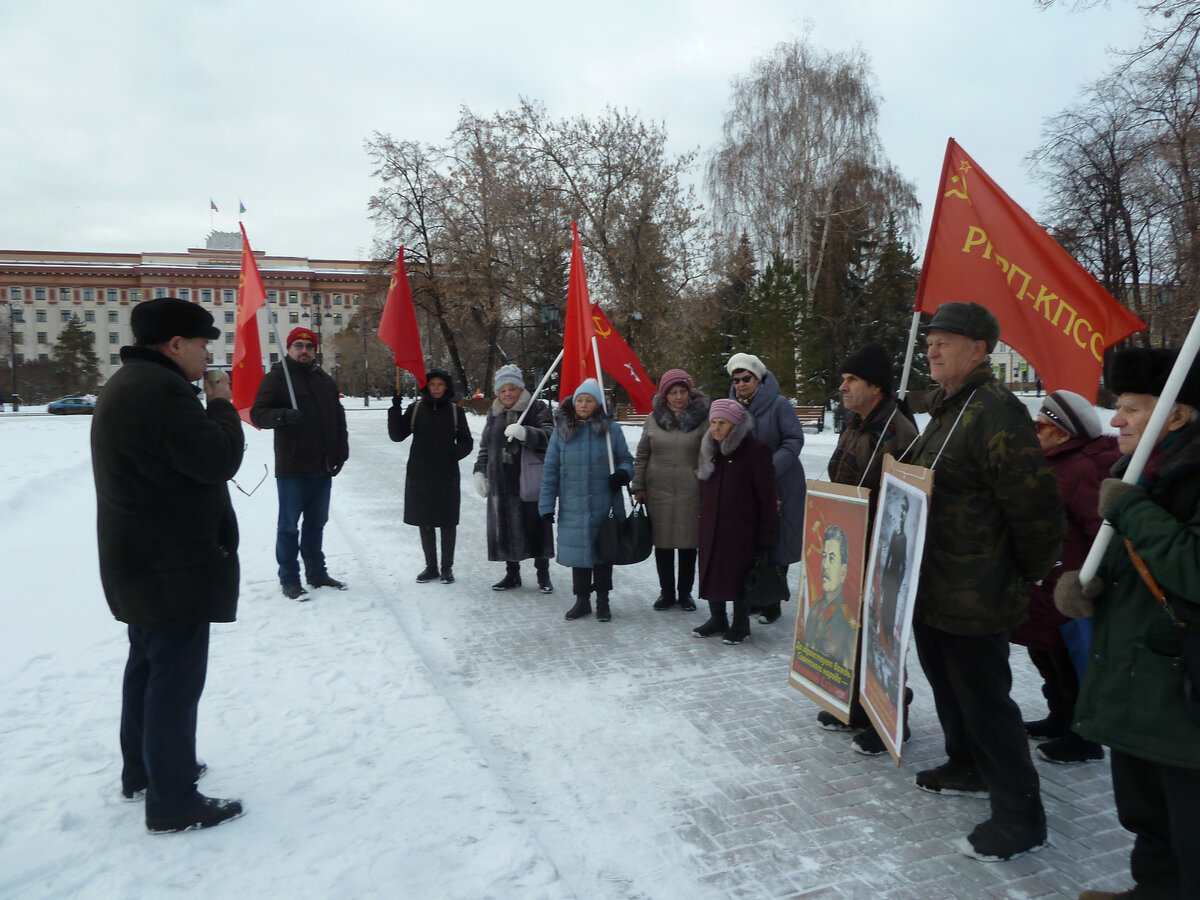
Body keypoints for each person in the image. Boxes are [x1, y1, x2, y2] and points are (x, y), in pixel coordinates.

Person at [905, 302, 1065, 862]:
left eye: (945, 341)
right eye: (930, 340)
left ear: (980, 350)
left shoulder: (995, 410)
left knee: (986, 703)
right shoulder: (949, 410)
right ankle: (965, 763)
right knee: (947, 687)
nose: (932, 349)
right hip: (932, 586)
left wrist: (1015, 573)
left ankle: (1020, 816)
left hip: (975, 592)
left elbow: (1037, 510)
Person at [90, 297, 245, 833]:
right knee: (174, 680)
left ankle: (145, 770)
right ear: (175, 344)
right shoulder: (160, 391)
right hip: (169, 564)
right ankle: (174, 798)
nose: (208, 358)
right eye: (203, 345)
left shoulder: (131, 384)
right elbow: (217, 459)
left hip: (142, 562)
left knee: (148, 667)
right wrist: (222, 405)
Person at [1057, 349, 1200, 900]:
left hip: (1182, 693)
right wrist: (1091, 587)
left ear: (1178, 415)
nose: (1114, 419)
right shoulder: (1134, 470)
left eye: (1131, 408)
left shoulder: (1179, 478)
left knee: (1191, 827)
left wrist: (1134, 510)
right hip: (1136, 679)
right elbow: (1134, 567)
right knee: (1146, 815)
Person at [820, 343, 920, 755]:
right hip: (851, 545)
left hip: (883, 551)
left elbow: (904, 500)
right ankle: (859, 706)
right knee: (854, 629)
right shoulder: (855, 422)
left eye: (852, 380)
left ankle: (892, 716)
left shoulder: (899, 431)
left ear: (875, 385)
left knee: (883, 636)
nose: (842, 386)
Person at [1013, 390, 1118, 766]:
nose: (1035, 432)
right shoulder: (1053, 461)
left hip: (1069, 586)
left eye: (1041, 426)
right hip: (1045, 584)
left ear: (1063, 432)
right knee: (1046, 654)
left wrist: (1092, 581)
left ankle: (1083, 736)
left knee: (1070, 659)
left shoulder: (1085, 467)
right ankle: (1059, 716)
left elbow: (1101, 530)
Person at [250, 327, 350, 600]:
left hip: (321, 465)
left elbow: (337, 417)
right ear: (290, 348)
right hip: (293, 466)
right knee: (289, 526)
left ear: (314, 351)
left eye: (309, 346)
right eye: (298, 346)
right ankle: (289, 579)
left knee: (316, 523)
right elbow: (258, 414)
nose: (304, 351)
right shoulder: (277, 378)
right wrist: (283, 416)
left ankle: (316, 573)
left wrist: (341, 451)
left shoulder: (323, 379)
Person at [538, 379, 634, 622]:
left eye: (589, 400)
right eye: (580, 399)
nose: (583, 404)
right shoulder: (562, 433)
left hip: (605, 505)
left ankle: (603, 602)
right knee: (579, 557)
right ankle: (582, 601)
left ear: (598, 404)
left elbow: (626, 459)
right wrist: (546, 505)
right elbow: (550, 470)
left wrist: (622, 474)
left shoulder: (611, 430)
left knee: (603, 554)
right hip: (574, 506)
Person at [726, 353, 806, 625]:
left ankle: (773, 601)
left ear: (759, 379)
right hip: (747, 485)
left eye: (745, 378)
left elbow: (794, 439)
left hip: (781, 482)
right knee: (751, 540)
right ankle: (755, 594)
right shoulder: (733, 408)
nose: (740, 384)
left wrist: (767, 468)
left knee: (778, 542)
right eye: (736, 380)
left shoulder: (779, 405)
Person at [694, 399, 779, 644]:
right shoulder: (709, 448)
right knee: (712, 570)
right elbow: (703, 488)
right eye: (713, 422)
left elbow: (767, 496)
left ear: (736, 424)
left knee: (739, 575)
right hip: (712, 524)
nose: (716, 428)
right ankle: (717, 618)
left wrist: (766, 537)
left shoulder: (754, 450)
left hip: (742, 527)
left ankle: (741, 623)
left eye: (722, 423)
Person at [631, 368, 709, 612]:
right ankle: (666, 593)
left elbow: (710, 455)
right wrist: (639, 485)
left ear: (689, 392)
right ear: (664, 395)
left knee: (688, 544)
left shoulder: (703, 419)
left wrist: (704, 481)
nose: (678, 397)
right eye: (673, 392)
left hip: (691, 489)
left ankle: (685, 594)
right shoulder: (653, 419)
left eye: (682, 391)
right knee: (663, 544)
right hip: (659, 490)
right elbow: (642, 454)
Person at [473, 364, 555, 593]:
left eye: (512, 389)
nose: (507, 394)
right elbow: (485, 446)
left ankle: (543, 575)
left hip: (529, 479)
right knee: (506, 527)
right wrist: (480, 470)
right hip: (501, 482)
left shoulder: (536, 408)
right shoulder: (494, 412)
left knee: (537, 527)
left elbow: (551, 436)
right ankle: (512, 574)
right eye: (503, 390)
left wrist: (526, 434)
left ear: (520, 389)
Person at [388, 368, 474, 584]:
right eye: (433, 384)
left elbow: (467, 441)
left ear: (446, 387)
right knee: (424, 520)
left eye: (441, 385)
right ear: (426, 387)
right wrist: (395, 408)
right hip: (420, 473)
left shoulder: (455, 412)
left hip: (446, 474)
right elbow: (397, 435)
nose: (436, 388)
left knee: (447, 522)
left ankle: (447, 568)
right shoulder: (416, 409)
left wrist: (452, 455)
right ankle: (431, 567)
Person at [804, 525, 855, 665]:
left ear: (843, 572)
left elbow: (847, 670)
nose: (825, 565)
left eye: (832, 558)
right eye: (824, 557)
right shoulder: (814, 611)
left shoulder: (847, 622)